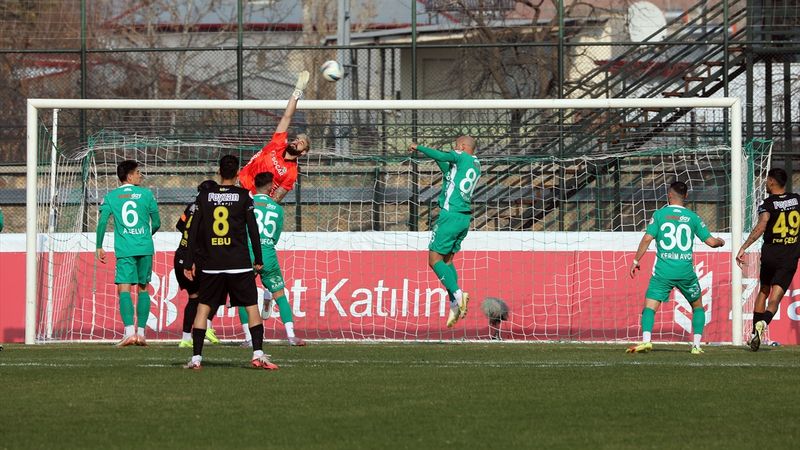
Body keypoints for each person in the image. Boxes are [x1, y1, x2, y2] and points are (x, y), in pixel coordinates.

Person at [182, 154, 277, 370]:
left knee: (203, 308)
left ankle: (196, 358)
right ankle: (258, 355)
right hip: (239, 263)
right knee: (251, 307)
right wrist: (259, 259)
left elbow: (194, 229)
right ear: (237, 174)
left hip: (212, 263)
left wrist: (189, 261)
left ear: (218, 172)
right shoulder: (244, 196)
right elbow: (253, 229)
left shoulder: (204, 196)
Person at [627, 181, 725, 354]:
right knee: (697, 307)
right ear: (686, 196)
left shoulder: (659, 214)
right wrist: (720, 242)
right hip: (685, 272)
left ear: (669, 195)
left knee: (649, 307)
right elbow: (710, 242)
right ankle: (696, 346)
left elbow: (648, 238)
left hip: (663, 272)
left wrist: (635, 261)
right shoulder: (693, 217)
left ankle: (646, 341)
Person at [409, 136, 481, 328]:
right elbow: (444, 164)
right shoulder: (474, 165)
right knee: (447, 261)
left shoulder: (462, 157)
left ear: (463, 147)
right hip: (463, 218)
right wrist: (432, 156)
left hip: (449, 216)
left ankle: (459, 295)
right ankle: (454, 304)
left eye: (456, 147)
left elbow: (443, 155)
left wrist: (420, 147)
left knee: (434, 260)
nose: (453, 150)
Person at [96, 160, 161, 347]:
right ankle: (141, 334)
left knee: (123, 289)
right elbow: (156, 222)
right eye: (138, 172)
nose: (140, 175)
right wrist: (146, 235)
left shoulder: (111, 197)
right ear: (129, 176)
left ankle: (129, 332)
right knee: (143, 288)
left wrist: (99, 246)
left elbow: (102, 223)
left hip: (125, 249)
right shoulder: (147, 194)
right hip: (145, 247)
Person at [736, 167, 800, 351]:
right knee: (776, 298)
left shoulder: (767, 203)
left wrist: (744, 247)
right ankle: (763, 323)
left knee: (764, 290)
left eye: (766, 180)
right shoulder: (797, 199)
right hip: (789, 257)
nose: (765, 183)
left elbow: (762, 225)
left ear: (772, 181)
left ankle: (755, 335)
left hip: (771, 254)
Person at [250, 171, 305, 346]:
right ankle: (290, 336)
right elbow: (275, 236)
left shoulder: (248, 204)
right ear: (269, 187)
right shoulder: (277, 209)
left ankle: (248, 338)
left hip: (248, 253)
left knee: (245, 297)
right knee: (280, 295)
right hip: (268, 254)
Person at [238, 70, 311, 202]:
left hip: (254, 201)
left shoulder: (291, 172)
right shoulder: (279, 143)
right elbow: (287, 117)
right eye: (296, 139)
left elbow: (277, 197)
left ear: (303, 152)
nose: (296, 142)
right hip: (240, 185)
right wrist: (297, 91)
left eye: (301, 143)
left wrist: (262, 206)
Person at [175, 179, 222, 348]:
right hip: (195, 258)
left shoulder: (191, 206)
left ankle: (186, 338)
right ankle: (207, 325)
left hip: (180, 255)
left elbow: (180, 225)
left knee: (194, 298)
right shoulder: (210, 209)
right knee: (218, 289)